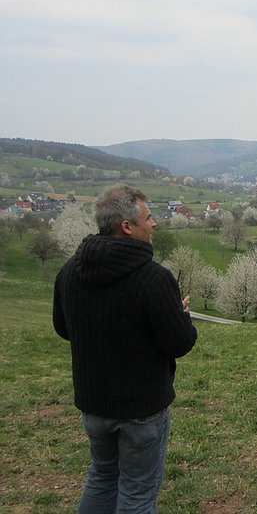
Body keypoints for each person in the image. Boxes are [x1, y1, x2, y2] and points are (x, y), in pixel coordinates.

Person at [53, 184, 198, 513]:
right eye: (149, 218)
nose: (155, 224)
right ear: (127, 227)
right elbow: (180, 342)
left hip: (94, 405)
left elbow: (64, 329)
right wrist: (181, 317)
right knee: (137, 493)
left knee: (102, 477)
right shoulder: (153, 278)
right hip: (141, 410)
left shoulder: (70, 272)